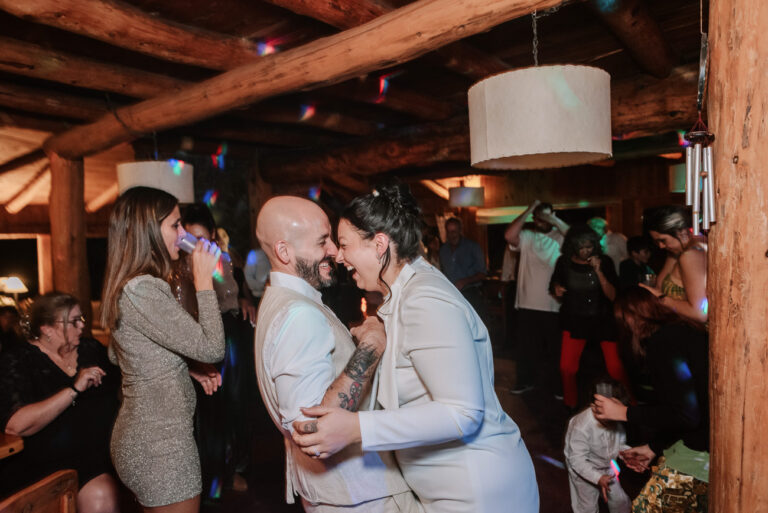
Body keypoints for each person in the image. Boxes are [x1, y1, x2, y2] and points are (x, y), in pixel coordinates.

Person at [292, 185, 539, 513]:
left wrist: (356, 429)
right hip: (447, 490)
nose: (338, 255)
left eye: (345, 244)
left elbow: (463, 412)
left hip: (478, 491)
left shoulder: (424, 299)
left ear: (379, 244)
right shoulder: (406, 291)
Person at [253, 196, 419, 512]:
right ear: (284, 251)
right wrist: (371, 345)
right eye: (322, 242)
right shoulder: (299, 315)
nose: (334, 251)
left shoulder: (278, 300)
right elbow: (310, 428)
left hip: (338, 494)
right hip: (360, 496)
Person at [101, 186, 225, 512]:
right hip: (161, 446)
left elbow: (119, 354)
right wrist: (203, 282)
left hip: (145, 438)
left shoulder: (130, 284)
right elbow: (213, 348)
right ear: (147, 231)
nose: (183, 234)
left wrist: (182, 366)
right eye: (175, 225)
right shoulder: (143, 289)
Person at [0, 293, 120, 513]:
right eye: (73, 321)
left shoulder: (90, 349)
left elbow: (131, 376)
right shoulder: (19, 360)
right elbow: (15, 424)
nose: (81, 326)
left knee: (106, 490)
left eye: (81, 319)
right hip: (47, 462)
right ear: (47, 329)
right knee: (101, 493)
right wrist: (73, 389)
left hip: (101, 455)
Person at [593, 287, 709, 512]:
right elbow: (687, 406)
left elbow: (685, 415)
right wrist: (654, 447)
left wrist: (624, 413)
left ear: (629, 317)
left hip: (704, 454)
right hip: (705, 442)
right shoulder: (682, 331)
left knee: (646, 508)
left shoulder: (662, 342)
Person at [182, 203, 255, 497]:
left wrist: (248, 302)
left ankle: (235, 468)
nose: (198, 244)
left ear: (212, 234)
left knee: (235, 403)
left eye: (203, 237)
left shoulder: (226, 258)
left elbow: (242, 292)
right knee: (208, 408)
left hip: (231, 336)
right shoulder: (180, 266)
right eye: (191, 237)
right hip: (200, 334)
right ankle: (212, 475)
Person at [550, 224, 630, 409]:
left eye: (590, 246)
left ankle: (630, 403)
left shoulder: (605, 261)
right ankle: (570, 406)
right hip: (575, 320)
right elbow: (555, 284)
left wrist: (599, 271)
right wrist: (557, 289)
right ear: (573, 246)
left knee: (615, 368)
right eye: (581, 247)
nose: (586, 251)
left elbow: (613, 296)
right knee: (567, 368)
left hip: (602, 320)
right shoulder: (564, 262)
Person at [504, 200, 569, 395]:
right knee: (526, 350)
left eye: (546, 216)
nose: (542, 220)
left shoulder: (560, 237)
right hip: (527, 304)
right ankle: (526, 381)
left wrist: (552, 218)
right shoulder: (528, 236)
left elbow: (575, 236)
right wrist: (530, 209)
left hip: (553, 305)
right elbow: (509, 235)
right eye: (538, 217)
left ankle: (558, 387)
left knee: (555, 351)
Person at [564, 379, 631, 513]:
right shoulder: (581, 426)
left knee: (620, 501)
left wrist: (628, 453)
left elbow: (619, 443)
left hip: (606, 467)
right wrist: (597, 478)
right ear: (594, 407)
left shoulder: (616, 421)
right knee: (587, 507)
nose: (615, 419)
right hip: (583, 471)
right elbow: (576, 459)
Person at [641, 205, 707, 324]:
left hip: (692, 334)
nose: (661, 246)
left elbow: (701, 313)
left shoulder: (689, 255)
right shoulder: (682, 248)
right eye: (657, 242)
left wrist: (662, 299)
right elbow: (660, 285)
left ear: (679, 231)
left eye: (663, 240)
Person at [438, 218, 486, 315]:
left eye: (454, 232)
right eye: (449, 232)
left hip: (471, 294)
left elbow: (482, 274)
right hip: (450, 295)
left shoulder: (473, 247)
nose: (452, 235)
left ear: (460, 231)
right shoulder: (443, 250)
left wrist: (464, 281)